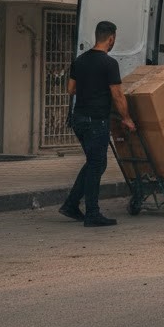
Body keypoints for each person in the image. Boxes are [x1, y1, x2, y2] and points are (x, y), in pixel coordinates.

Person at [60, 20, 135, 227]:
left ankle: (71, 204)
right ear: (110, 38)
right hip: (96, 121)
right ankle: (92, 213)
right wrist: (127, 118)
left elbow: (70, 89)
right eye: (114, 39)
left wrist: (88, 87)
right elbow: (118, 95)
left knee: (95, 162)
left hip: (79, 119)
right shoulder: (109, 64)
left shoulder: (80, 60)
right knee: (96, 164)